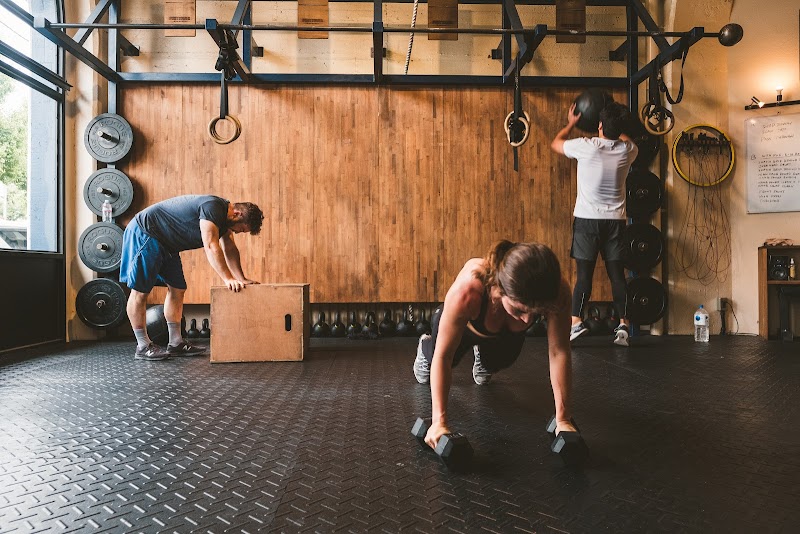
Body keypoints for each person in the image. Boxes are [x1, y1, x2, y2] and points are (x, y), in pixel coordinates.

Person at [411, 240, 577, 450]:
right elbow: (443, 356)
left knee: (498, 364)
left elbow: (559, 351)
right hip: (466, 328)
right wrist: (439, 423)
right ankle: (425, 347)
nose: (527, 321)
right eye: (519, 311)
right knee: (440, 360)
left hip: (501, 330)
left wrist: (563, 420)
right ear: (499, 290)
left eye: (536, 313)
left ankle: (484, 352)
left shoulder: (556, 291)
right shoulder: (469, 291)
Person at [119, 195, 264, 361]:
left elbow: (229, 248)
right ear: (237, 214)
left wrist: (241, 278)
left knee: (178, 289)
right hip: (147, 232)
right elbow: (210, 245)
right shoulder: (213, 207)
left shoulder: (225, 222)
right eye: (242, 229)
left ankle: (175, 343)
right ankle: (143, 345)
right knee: (140, 292)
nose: (238, 232)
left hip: (167, 244)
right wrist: (228, 278)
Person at [550, 100, 638, 347]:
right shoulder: (628, 150)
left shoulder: (585, 146)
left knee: (584, 276)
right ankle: (624, 325)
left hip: (587, 222)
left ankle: (576, 322)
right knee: (618, 277)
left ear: (599, 126)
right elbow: (623, 136)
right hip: (616, 223)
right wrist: (613, 125)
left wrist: (571, 124)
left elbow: (555, 143)